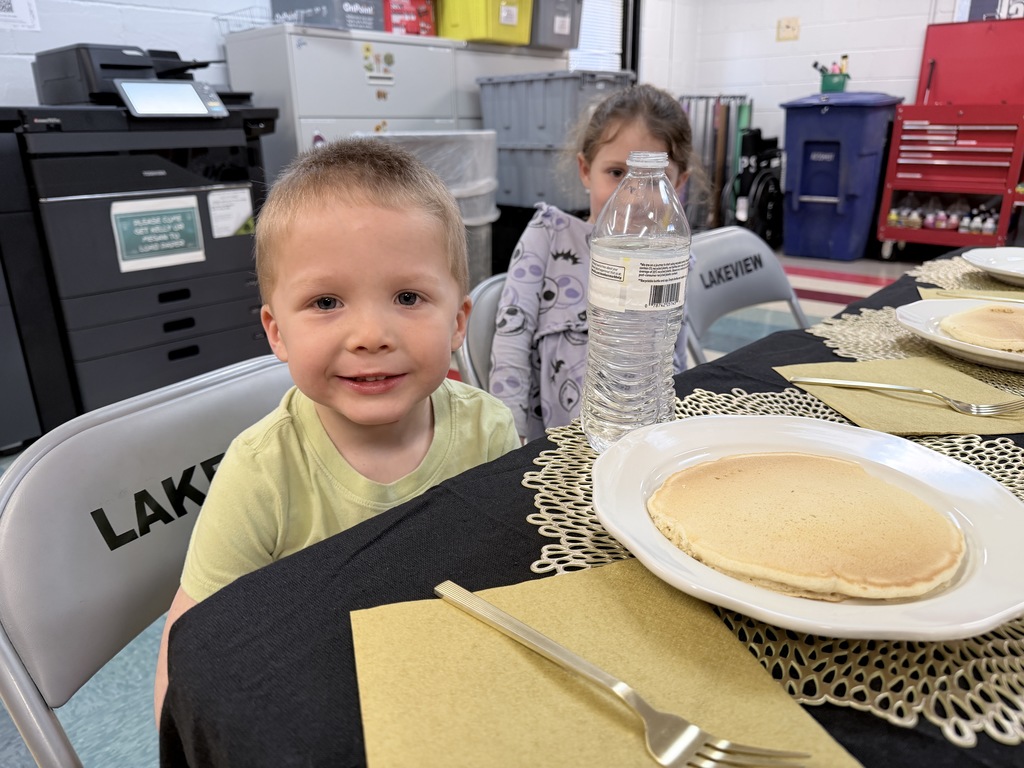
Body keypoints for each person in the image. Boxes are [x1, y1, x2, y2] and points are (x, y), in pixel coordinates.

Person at [153, 138, 519, 724]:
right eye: (326, 302)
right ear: (277, 333)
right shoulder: (261, 472)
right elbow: (192, 637)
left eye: (407, 296)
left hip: (456, 682)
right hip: (313, 699)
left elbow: (511, 575)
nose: (370, 334)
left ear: (457, 321)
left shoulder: (490, 430)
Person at [488, 83, 696, 442]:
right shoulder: (549, 235)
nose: (635, 199)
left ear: (678, 184)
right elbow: (511, 340)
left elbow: (672, 352)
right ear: (586, 170)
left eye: (655, 180)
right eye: (617, 173)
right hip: (554, 446)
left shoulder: (669, 257)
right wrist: (510, 437)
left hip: (639, 435)